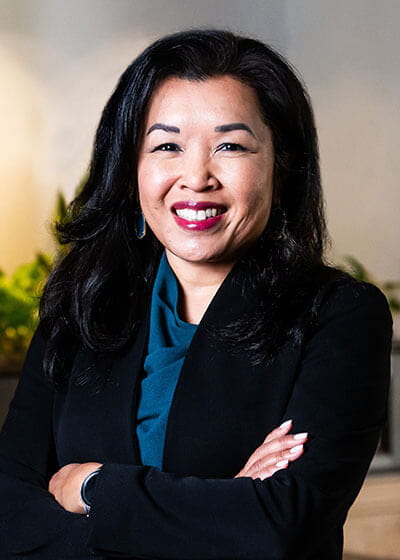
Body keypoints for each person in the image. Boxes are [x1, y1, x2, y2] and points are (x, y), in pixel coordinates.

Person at [0, 29, 392, 560]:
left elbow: (280, 526)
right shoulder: (80, 306)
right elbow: (7, 510)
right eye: (167, 146)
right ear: (131, 168)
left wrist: (91, 486)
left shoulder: (338, 315)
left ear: (282, 166)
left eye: (230, 146)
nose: (196, 177)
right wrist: (216, 511)